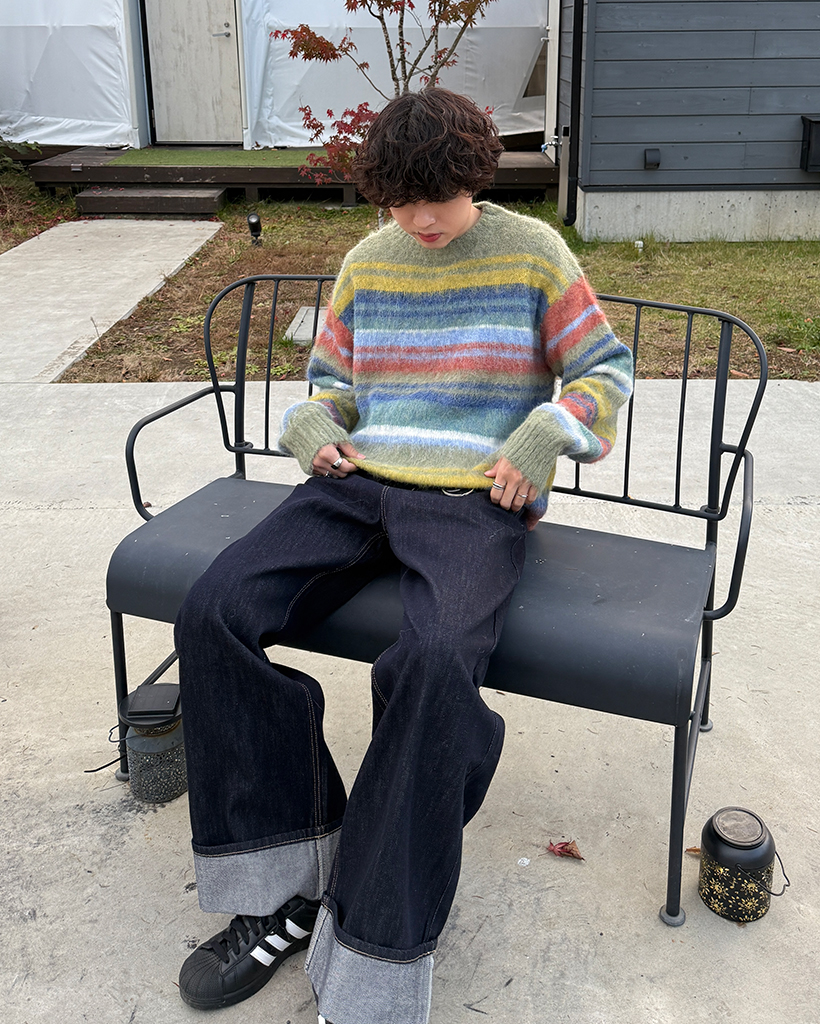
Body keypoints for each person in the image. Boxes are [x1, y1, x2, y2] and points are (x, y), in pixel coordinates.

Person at [174, 88, 633, 1024]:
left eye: (440, 198)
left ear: (476, 176)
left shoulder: (534, 252)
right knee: (213, 611)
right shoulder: (369, 258)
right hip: (355, 484)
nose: (421, 220)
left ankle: (372, 951)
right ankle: (287, 875)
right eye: (402, 201)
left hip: (473, 499)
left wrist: (546, 434)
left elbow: (604, 371)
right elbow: (332, 381)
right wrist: (312, 423)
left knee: (431, 664)